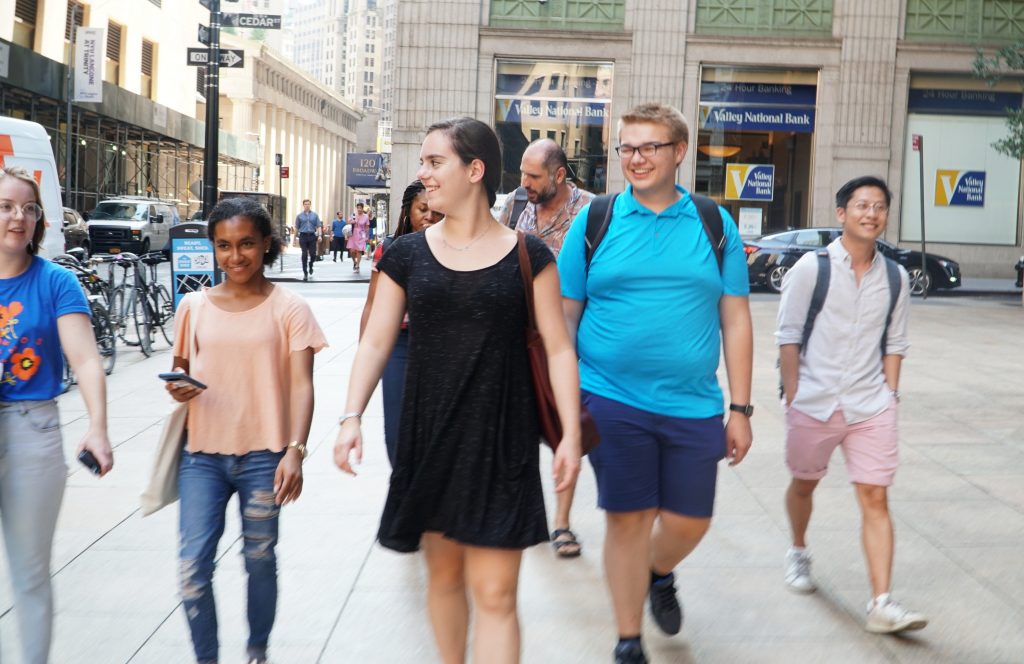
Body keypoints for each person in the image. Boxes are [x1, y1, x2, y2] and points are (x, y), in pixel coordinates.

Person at [334, 117, 582, 664]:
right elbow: (375, 344)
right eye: (421, 162)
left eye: (433, 162)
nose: (422, 174)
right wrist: (350, 416)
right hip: (431, 438)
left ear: (475, 170)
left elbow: (560, 348)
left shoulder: (530, 255)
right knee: (443, 579)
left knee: (495, 593)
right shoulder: (406, 255)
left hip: (502, 441)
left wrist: (568, 437)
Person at [557, 103, 753, 664]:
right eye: (626, 147)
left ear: (679, 152)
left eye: (649, 147)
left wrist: (740, 407)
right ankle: (628, 640)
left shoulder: (714, 223)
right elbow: (565, 319)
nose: (635, 158)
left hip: (693, 403)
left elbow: (736, 318)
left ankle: (657, 570)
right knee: (628, 518)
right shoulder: (595, 221)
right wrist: (568, 403)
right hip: (610, 397)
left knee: (692, 520)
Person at [167, 197, 327, 664]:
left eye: (246, 244)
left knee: (259, 559)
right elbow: (180, 371)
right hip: (202, 458)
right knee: (192, 566)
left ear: (267, 246)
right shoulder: (193, 307)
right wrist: (178, 388)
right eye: (223, 245)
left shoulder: (290, 308)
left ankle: (257, 650)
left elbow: (303, 387)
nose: (234, 256)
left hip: (265, 457)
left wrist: (295, 451)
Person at [776, 176, 926, 634]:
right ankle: (798, 550)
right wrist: (794, 392)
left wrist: (891, 396)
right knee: (804, 485)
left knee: (875, 497)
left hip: (870, 405)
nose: (871, 214)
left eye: (879, 207)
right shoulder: (811, 268)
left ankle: (882, 602)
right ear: (842, 214)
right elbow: (789, 335)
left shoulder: (896, 278)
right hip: (814, 403)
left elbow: (896, 343)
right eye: (862, 205)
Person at [0, 165, 114, 664]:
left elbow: (86, 359)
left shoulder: (56, 282)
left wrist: (98, 427)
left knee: (29, 573)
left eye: (28, 208)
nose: (17, 217)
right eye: (5, 207)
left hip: (32, 433)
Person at [498, 138, 594, 558]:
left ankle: (561, 522)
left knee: (563, 429)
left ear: (559, 175)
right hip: (517, 337)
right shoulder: (514, 206)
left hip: (565, 340)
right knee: (513, 431)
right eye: (522, 173)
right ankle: (516, 511)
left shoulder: (592, 212)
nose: (524, 183)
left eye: (533, 176)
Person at [358, 179, 441, 466]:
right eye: (423, 210)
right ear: (407, 211)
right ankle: (402, 482)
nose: (430, 217)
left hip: (437, 343)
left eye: (436, 211)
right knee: (395, 428)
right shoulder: (390, 248)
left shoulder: (448, 248)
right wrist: (364, 356)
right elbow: (371, 305)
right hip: (398, 343)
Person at [294, 198, 321, 281]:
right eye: (305, 204)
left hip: (312, 236)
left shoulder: (315, 215)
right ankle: (305, 272)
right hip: (303, 236)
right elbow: (296, 228)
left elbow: (319, 226)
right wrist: (294, 239)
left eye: (308, 204)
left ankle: (311, 264)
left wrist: (320, 235)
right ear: (303, 205)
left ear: (310, 205)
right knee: (304, 254)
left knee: (313, 254)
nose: (307, 205)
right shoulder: (299, 216)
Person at [347, 203, 370, 272]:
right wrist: (353, 221)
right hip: (353, 234)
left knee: (359, 250)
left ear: (362, 208)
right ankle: (354, 262)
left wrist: (367, 236)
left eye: (360, 208)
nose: (359, 209)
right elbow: (348, 221)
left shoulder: (366, 216)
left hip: (361, 235)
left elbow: (367, 226)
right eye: (358, 208)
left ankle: (358, 265)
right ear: (356, 208)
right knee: (352, 250)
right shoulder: (353, 215)